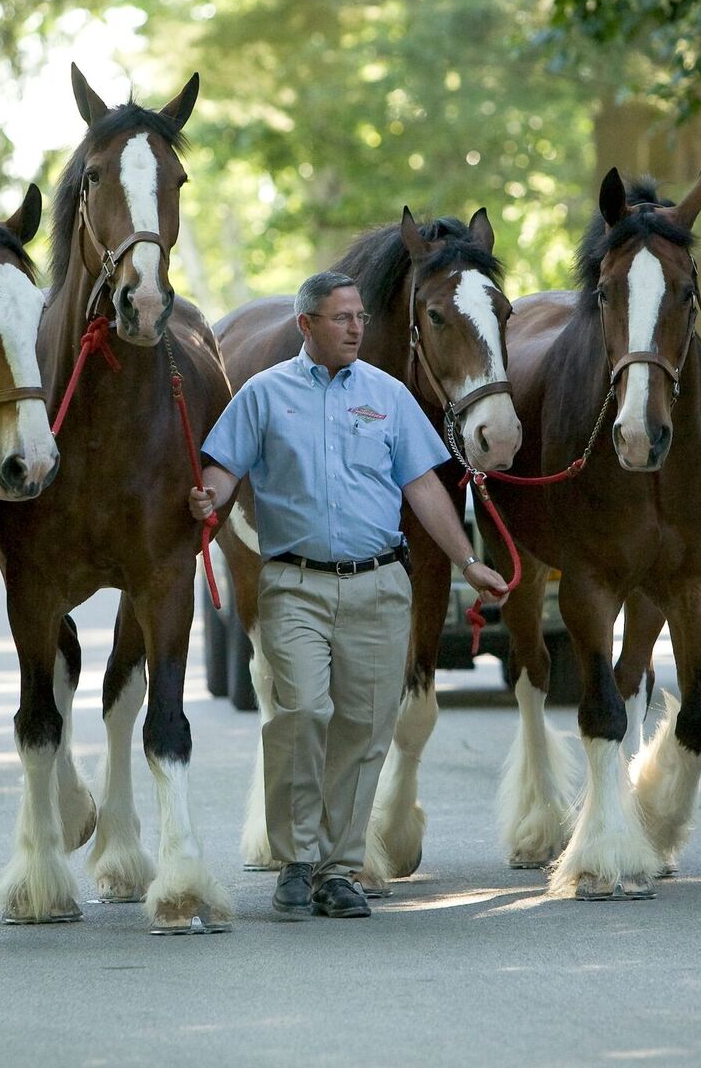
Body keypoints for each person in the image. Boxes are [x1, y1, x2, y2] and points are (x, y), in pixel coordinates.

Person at [188, 271, 508, 920]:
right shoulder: (263, 395)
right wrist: (209, 497)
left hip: (379, 585)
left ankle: (338, 868)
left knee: (364, 729)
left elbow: (424, 487)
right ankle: (296, 859)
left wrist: (467, 560)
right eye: (341, 317)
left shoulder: (390, 397)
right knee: (300, 714)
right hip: (295, 584)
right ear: (307, 325)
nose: (357, 327)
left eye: (360, 315)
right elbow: (223, 465)